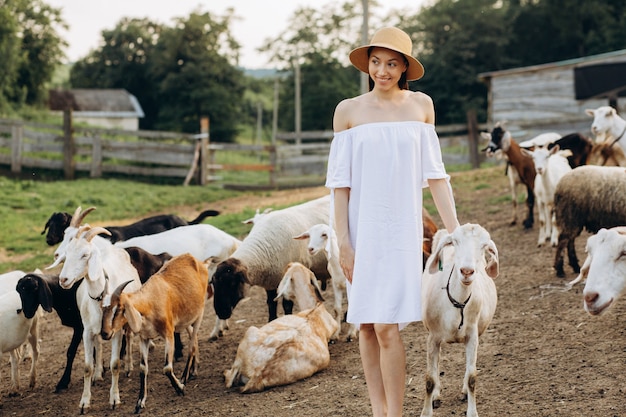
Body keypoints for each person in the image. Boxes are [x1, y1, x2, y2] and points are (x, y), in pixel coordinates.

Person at [325, 27, 460, 417]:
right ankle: (378, 410)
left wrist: (454, 232)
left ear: (405, 68)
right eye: (377, 62)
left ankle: (396, 414)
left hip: (399, 231)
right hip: (359, 231)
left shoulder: (421, 106)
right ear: (368, 64)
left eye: (392, 63)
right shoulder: (347, 110)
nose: (383, 71)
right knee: (366, 324)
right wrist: (343, 241)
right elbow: (339, 185)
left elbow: (436, 176)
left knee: (387, 327)